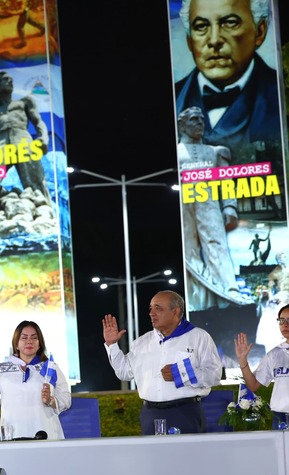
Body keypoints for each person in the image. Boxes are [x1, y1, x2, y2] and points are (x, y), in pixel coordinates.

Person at [174, 0, 282, 164]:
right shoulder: (173, 99)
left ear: (259, 32)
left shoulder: (278, 95)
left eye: (230, 23)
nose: (214, 40)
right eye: (201, 26)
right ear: (189, 40)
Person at [102, 290, 223, 435]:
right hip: (150, 414)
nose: (151, 313)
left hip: (185, 412)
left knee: (188, 451)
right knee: (151, 451)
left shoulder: (198, 337)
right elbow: (124, 373)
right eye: (151, 308)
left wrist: (180, 374)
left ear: (175, 311)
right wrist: (112, 345)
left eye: (158, 308)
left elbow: (214, 375)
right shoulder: (141, 342)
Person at [177, 106, 247, 309]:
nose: (200, 122)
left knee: (217, 245)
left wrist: (230, 207)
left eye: (201, 119)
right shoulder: (176, 152)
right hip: (184, 204)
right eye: (193, 119)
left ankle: (229, 290)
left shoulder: (216, 152)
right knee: (188, 251)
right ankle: (199, 301)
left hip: (208, 203)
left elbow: (226, 181)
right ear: (182, 125)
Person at [0, 71, 51, 232]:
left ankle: (45, 214)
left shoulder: (24, 103)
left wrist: (43, 137)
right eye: (5, 79)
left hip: (22, 139)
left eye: (10, 79)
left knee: (35, 178)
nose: (10, 81)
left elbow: (38, 122)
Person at [0, 321, 71, 440]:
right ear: (16, 344)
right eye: (24, 337)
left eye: (34, 337)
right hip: (12, 437)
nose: (29, 341)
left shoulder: (51, 368)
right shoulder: (3, 370)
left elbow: (66, 400)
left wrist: (50, 400)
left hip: (45, 435)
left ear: (39, 344)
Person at [235, 305, 289, 427]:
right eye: (282, 320)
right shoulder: (274, 354)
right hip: (280, 417)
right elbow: (253, 385)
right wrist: (242, 360)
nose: (285, 325)